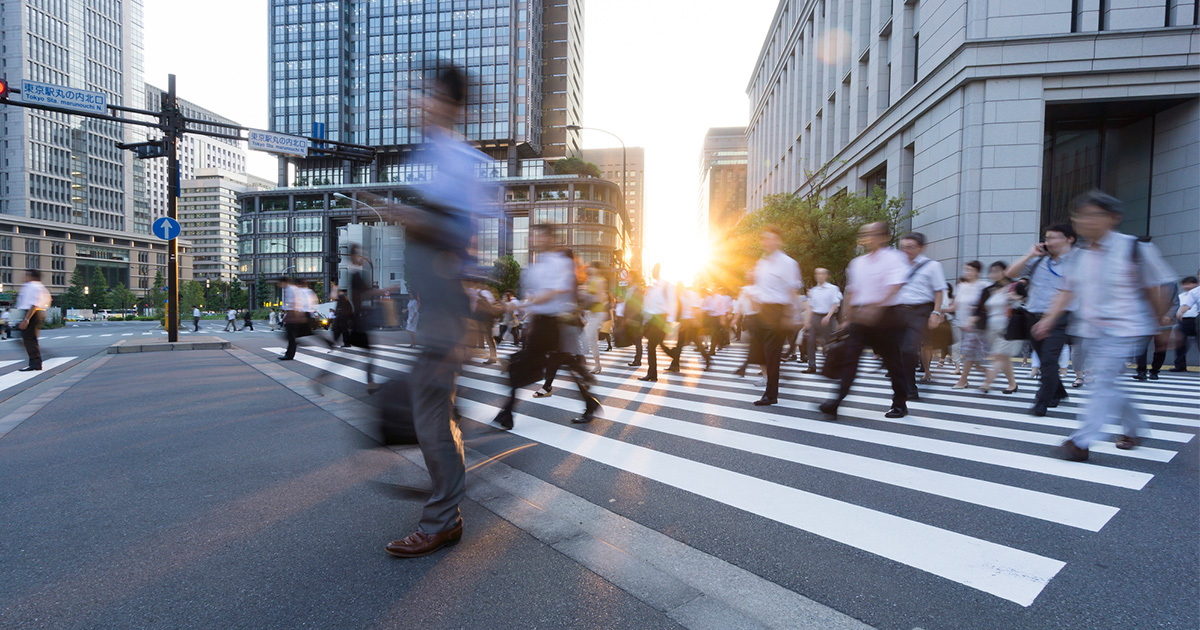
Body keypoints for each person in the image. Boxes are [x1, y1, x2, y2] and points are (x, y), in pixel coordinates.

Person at [383, 65, 489, 558]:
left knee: (430, 415)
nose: (417, 101)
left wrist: (406, 216)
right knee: (435, 411)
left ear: (451, 105)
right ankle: (445, 507)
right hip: (437, 306)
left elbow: (455, 236)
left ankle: (443, 519)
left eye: (427, 94)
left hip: (447, 306)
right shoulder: (435, 155)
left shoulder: (458, 160)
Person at [1034, 191, 1177, 461]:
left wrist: (1163, 329)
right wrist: (1048, 319)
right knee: (1109, 383)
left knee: (1101, 384)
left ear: (1113, 218)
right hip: (1089, 330)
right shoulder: (1079, 255)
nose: (1085, 221)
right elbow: (1067, 290)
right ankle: (1135, 427)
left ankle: (1082, 441)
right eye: (1080, 216)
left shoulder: (1135, 248)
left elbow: (1156, 288)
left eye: (1093, 215)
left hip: (1125, 329)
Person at [495, 225, 600, 424]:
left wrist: (521, 305)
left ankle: (507, 413)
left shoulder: (560, 264)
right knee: (561, 364)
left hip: (553, 325)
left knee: (522, 365)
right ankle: (589, 401)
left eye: (541, 236)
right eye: (534, 236)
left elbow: (553, 293)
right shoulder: (535, 266)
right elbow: (536, 295)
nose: (536, 240)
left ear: (552, 238)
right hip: (541, 324)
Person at [818, 222, 908, 419]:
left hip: (888, 316)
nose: (869, 237)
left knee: (892, 362)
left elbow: (896, 285)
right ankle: (835, 402)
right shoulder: (858, 263)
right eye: (866, 234)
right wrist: (845, 318)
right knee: (850, 359)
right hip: (860, 318)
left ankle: (900, 403)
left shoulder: (894, 258)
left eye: (874, 234)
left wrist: (876, 308)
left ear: (884, 237)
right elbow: (852, 291)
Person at [1005, 224, 1076, 415]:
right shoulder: (1039, 261)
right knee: (1046, 359)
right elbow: (1010, 273)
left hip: (1059, 318)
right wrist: (1030, 255)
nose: (1048, 241)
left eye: (1054, 237)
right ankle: (1059, 391)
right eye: (1047, 237)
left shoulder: (1076, 263)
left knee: (1048, 361)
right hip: (1032, 317)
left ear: (1070, 239)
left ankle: (1041, 402)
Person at [749, 226, 802, 406]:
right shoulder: (761, 263)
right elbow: (759, 288)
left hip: (778, 311)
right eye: (764, 238)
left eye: (771, 238)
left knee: (771, 355)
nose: (767, 242)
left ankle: (771, 394)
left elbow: (793, 290)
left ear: (779, 240)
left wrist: (792, 314)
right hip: (762, 312)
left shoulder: (787, 263)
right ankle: (773, 384)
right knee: (757, 353)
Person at [895, 232, 948, 399]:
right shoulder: (898, 265)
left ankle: (910, 386)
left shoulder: (932, 266)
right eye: (903, 247)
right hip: (899, 311)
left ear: (921, 248)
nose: (906, 250)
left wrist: (936, 312)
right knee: (899, 350)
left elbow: (939, 290)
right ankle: (907, 385)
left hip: (920, 311)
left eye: (910, 247)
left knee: (910, 348)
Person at [977, 261, 1021, 394]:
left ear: (1005, 271)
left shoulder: (1014, 287)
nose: (993, 274)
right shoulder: (990, 290)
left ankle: (987, 383)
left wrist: (1015, 298)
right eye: (991, 271)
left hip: (1008, 327)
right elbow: (981, 309)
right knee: (1003, 358)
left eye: (996, 270)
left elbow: (1024, 302)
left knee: (999, 355)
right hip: (991, 328)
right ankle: (1012, 384)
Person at [946, 261, 989, 383]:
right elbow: (955, 306)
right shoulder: (962, 287)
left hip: (976, 326)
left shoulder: (983, 286)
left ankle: (963, 381)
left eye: (970, 270)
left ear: (977, 272)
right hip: (961, 324)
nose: (967, 273)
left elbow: (984, 308)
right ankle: (987, 373)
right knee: (973, 358)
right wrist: (940, 310)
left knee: (968, 354)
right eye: (966, 270)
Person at [638, 264, 679, 382]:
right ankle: (653, 373)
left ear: (660, 271)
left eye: (654, 270)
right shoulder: (653, 286)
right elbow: (648, 304)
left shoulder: (667, 286)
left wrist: (669, 323)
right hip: (652, 320)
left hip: (661, 319)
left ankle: (652, 374)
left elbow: (673, 304)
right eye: (652, 270)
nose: (652, 272)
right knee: (653, 346)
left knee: (651, 347)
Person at [804, 268, 842, 374]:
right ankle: (811, 366)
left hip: (827, 317)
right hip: (815, 316)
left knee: (829, 342)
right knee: (810, 341)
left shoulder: (833, 288)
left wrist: (828, 316)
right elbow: (810, 307)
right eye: (817, 273)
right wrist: (807, 321)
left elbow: (835, 304)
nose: (819, 275)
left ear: (827, 275)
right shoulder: (814, 290)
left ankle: (831, 365)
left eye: (822, 273)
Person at [16, 269, 50, 371]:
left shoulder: (32, 286)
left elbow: (33, 304)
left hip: (31, 313)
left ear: (32, 276)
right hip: (35, 313)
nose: (24, 277)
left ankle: (35, 362)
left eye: (26, 275)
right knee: (30, 339)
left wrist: (26, 319)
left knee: (29, 339)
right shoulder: (38, 286)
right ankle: (35, 362)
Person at [581, 261, 609, 374]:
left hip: (598, 313)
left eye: (591, 267)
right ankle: (597, 365)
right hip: (591, 313)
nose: (589, 269)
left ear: (596, 269)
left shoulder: (601, 281)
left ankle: (581, 361)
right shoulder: (590, 280)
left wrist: (590, 296)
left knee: (587, 336)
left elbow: (601, 297)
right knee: (592, 340)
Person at [1171, 276, 1199, 371]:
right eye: (1185, 284)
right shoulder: (1181, 296)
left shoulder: (1196, 293)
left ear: (1196, 284)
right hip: (1184, 321)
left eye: (1190, 283)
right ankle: (1180, 365)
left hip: (1196, 319)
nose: (1187, 286)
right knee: (1180, 344)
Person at [622, 273, 645, 367]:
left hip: (636, 319)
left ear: (633, 278)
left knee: (637, 340)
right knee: (635, 340)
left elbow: (638, 305)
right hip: (630, 319)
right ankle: (637, 359)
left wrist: (631, 318)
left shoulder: (638, 290)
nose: (627, 278)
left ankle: (638, 360)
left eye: (629, 276)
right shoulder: (629, 290)